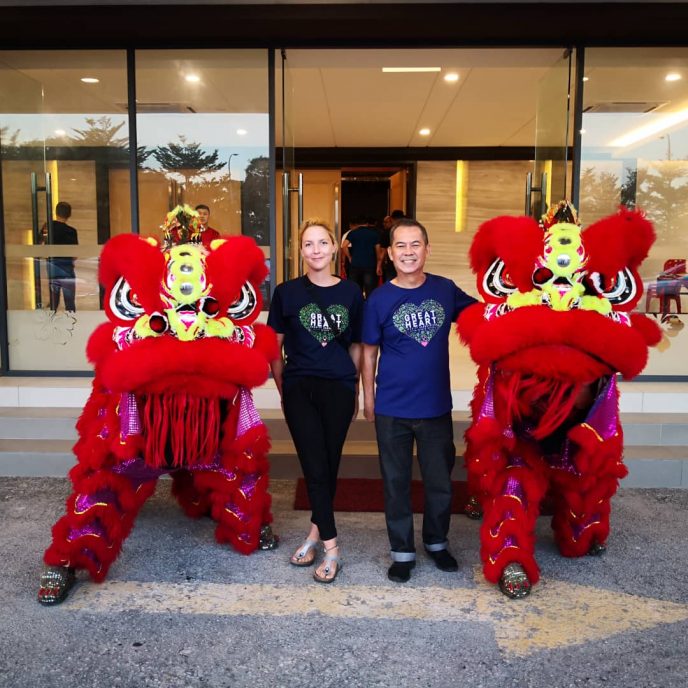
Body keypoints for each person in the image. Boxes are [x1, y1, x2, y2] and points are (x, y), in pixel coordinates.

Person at [361, 218, 476, 583]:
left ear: (427, 249)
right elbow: (368, 353)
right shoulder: (378, 299)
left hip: (435, 407)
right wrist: (368, 398)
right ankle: (402, 552)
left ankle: (437, 543)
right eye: (401, 245)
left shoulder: (445, 289)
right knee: (395, 483)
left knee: (439, 481)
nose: (408, 252)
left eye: (415, 244)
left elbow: (481, 317)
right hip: (392, 408)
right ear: (389, 253)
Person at [268, 218, 363, 584]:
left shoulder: (352, 293)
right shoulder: (286, 292)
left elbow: (356, 346)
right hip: (300, 388)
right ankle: (332, 547)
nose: (316, 250)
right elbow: (274, 348)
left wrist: (355, 388)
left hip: (338, 387)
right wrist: (284, 389)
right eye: (309, 244)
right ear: (301, 250)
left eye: (323, 242)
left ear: (335, 247)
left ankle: (312, 534)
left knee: (328, 463)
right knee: (313, 463)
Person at [42, 201, 78, 312]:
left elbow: (41, 245)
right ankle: (71, 322)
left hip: (52, 267)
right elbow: (74, 254)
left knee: (54, 302)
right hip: (67, 268)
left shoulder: (47, 227)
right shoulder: (72, 231)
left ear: (56, 212)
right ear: (69, 215)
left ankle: (50, 321)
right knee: (69, 303)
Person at [341, 216, 381, 298]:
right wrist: (378, 265)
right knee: (369, 289)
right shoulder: (374, 234)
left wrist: (349, 257)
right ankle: (369, 305)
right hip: (370, 265)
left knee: (355, 289)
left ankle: (357, 305)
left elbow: (344, 246)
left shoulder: (353, 233)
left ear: (357, 224)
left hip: (355, 264)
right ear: (367, 224)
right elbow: (378, 251)